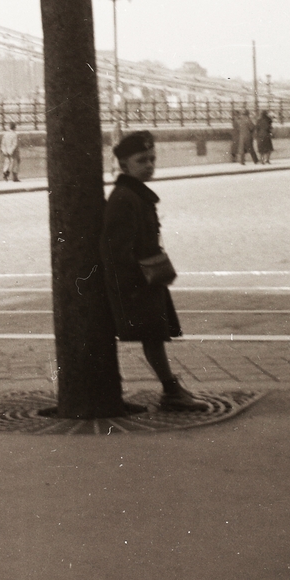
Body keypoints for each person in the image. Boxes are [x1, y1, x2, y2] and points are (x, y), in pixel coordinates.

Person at [101, 130, 204, 411]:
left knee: (155, 337)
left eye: (152, 159)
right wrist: (136, 282)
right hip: (139, 284)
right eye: (141, 160)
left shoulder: (134, 195)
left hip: (146, 281)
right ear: (124, 165)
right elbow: (117, 250)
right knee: (153, 337)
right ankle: (171, 391)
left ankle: (171, 389)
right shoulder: (125, 197)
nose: (149, 165)